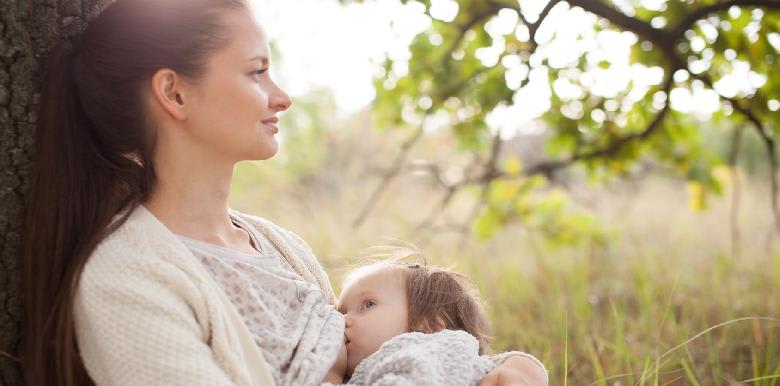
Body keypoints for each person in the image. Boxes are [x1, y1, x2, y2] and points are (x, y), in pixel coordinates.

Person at [21, 0, 549, 385]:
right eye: (257, 73)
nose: (282, 97)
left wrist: (514, 369)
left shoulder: (279, 246)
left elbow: (395, 359)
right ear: (175, 93)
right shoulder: (125, 280)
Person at [323, 254, 547, 385]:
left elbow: (508, 368)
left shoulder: (431, 351)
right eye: (341, 313)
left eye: (368, 305)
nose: (342, 321)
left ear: (429, 324)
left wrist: (328, 376)